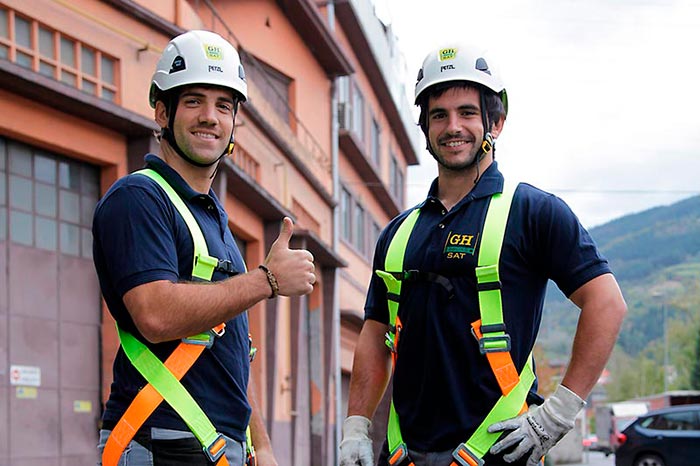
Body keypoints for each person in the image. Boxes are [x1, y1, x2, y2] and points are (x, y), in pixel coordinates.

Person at [338, 44, 627, 466]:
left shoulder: (533, 213)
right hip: (404, 454)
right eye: (439, 115)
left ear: (496, 121)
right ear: (425, 127)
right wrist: (356, 427)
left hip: (500, 452)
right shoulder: (398, 234)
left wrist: (558, 413)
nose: (453, 126)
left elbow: (606, 303)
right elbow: (374, 332)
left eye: (467, 113)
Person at [93, 30, 315, 465]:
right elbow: (155, 313)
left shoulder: (212, 219)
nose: (210, 116)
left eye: (224, 106)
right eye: (193, 101)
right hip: (162, 442)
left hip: (216, 445)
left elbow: (227, 345)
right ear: (162, 111)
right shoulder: (138, 198)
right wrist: (266, 280)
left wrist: (262, 444)